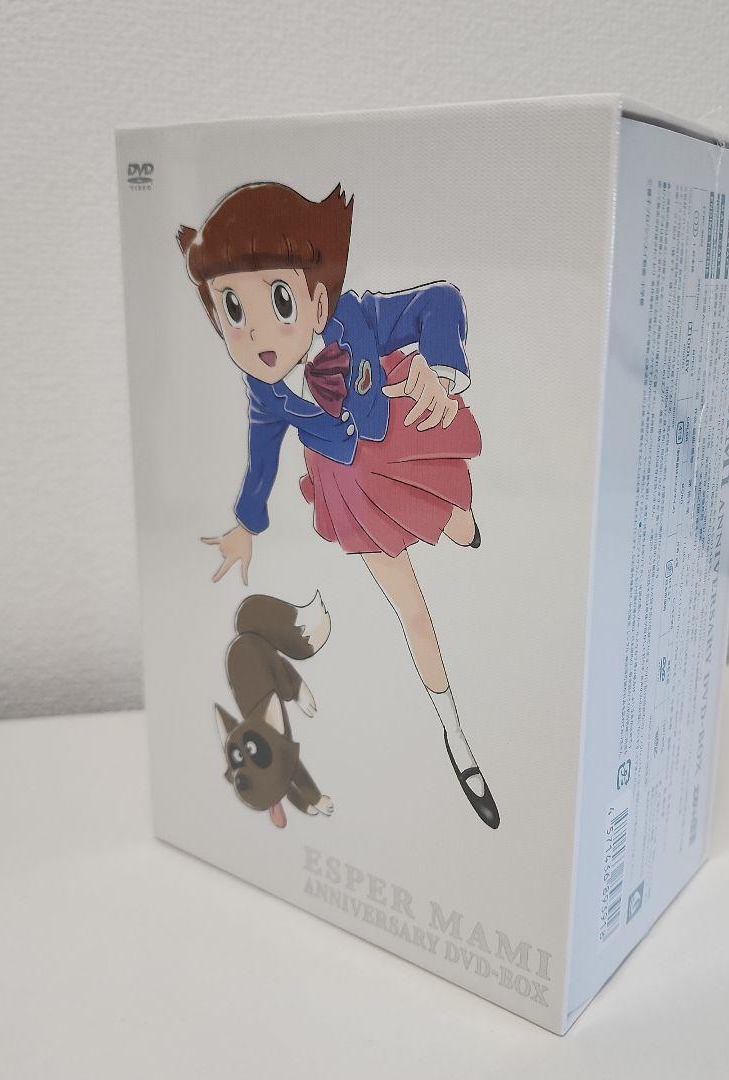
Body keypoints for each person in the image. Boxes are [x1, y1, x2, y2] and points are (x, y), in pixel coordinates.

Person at [177, 181, 500, 828]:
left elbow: (440, 300)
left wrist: (441, 371)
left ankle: (462, 526)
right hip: (348, 486)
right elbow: (262, 458)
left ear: (318, 298)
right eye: (233, 310)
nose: (258, 331)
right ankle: (456, 736)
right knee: (414, 613)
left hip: (398, 439)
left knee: (458, 520)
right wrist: (246, 523)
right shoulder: (265, 390)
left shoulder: (356, 318)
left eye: (277, 299)